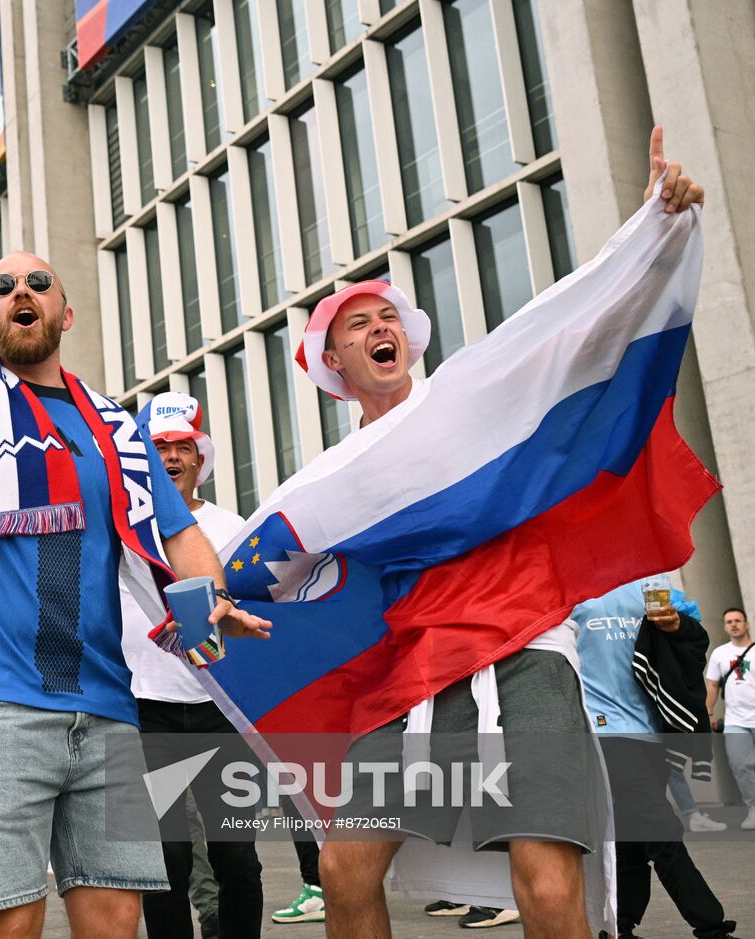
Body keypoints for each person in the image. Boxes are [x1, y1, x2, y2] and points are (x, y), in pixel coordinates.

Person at [0, 77, 271, 939]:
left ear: (65, 310)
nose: (21, 292)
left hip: (108, 704)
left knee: (116, 922)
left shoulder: (118, 428)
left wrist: (211, 597)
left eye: (38, 282)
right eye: (2, 286)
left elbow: (181, 535)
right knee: (12, 927)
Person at [308, 129, 705, 939]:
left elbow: (587, 339)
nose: (381, 327)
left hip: (525, 646)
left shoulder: (472, 400)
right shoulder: (332, 481)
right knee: (344, 868)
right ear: (333, 361)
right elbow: (287, 577)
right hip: (413, 669)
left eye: (389, 316)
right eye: (359, 323)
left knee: (548, 885)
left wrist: (654, 237)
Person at [120, 392, 266, 938]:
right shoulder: (122, 529)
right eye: (159, 448)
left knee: (236, 856)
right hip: (144, 711)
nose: (171, 457)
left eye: (182, 447)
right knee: (165, 859)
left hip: (222, 709)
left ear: (200, 459)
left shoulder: (232, 528)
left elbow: (257, 612)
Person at [574, 578, 737, 939]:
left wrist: (676, 625)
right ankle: (710, 927)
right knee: (661, 829)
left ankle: (619, 927)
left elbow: (693, 635)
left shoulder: (649, 581)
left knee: (631, 834)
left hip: (652, 728)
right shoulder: (570, 587)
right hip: (603, 729)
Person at [705, 607, 755, 830]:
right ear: (725, 627)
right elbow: (712, 685)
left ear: (746, 624)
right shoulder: (719, 653)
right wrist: (709, 712)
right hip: (736, 721)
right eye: (729, 622)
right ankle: (753, 808)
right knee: (740, 765)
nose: (733, 624)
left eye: (737, 620)